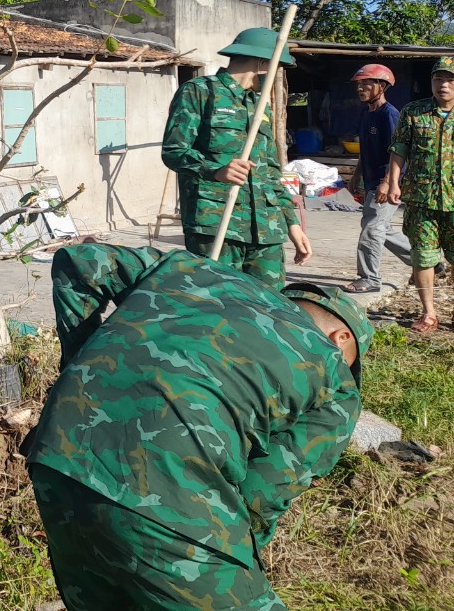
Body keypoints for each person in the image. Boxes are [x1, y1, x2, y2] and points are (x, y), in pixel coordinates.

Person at [27, 242, 372, 611]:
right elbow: (262, 494)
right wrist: (235, 565)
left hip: (56, 454)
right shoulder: (337, 383)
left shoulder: (188, 268)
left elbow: (78, 262)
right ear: (342, 339)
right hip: (164, 491)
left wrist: (77, 366)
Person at [161, 27, 312, 282]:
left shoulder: (259, 104)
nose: (277, 75)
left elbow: (272, 173)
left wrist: (292, 225)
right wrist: (215, 170)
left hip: (267, 229)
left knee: (270, 309)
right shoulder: (200, 91)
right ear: (263, 63)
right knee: (219, 306)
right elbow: (174, 151)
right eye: (277, 67)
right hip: (217, 223)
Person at [379, 56, 454, 332]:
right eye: (438, 79)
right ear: (431, 82)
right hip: (421, 197)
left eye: (449, 79)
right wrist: (393, 182)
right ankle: (429, 314)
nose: (443, 85)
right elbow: (399, 149)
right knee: (422, 256)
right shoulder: (414, 111)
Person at [345, 64, 400, 294]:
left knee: (371, 228)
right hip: (370, 180)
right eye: (359, 84)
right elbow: (365, 149)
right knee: (380, 227)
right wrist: (355, 176)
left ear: (382, 86)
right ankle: (428, 261)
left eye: (366, 83)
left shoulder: (390, 115)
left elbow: (399, 151)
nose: (361, 88)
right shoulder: (366, 113)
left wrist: (387, 182)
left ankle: (369, 278)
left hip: (386, 181)